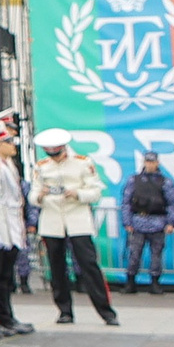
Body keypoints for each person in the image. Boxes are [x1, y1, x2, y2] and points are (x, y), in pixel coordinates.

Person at [30, 130, 117, 324]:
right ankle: (64, 310)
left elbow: (95, 191)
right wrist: (41, 195)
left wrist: (77, 193)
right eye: (49, 152)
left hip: (77, 218)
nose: (53, 155)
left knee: (89, 264)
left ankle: (106, 311)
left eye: (56, 152)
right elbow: (33, 196)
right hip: (52, 220)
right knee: (56, 267)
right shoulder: (42, 166)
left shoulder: (82, 162)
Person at [119, 153, 174, 291]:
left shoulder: (165, 181)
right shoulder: (134, 180)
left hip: (158, 222)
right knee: (134, 254)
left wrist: (171, 222)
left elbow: (172, 203)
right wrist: (127, 222)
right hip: (138, 222)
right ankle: (130, 282)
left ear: (157, 163)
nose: (150, 164)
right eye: (147, 162)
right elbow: (126, 202)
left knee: (156, 255)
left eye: (152, 162)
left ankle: (155, 282)